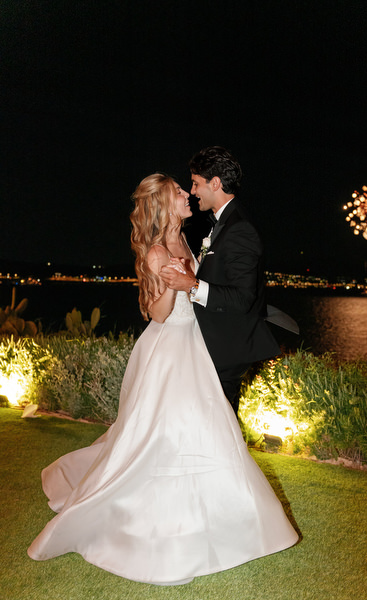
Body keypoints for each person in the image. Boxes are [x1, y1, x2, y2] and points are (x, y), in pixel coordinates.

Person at [27, 173, 298, 585]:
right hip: (169, 348)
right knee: (163, 435)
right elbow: (157, 313)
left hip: (195, 343)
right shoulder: (155, 251)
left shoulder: (188, 241)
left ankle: (228, 519)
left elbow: (199, 288)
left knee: (208, 428)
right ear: (163, 203)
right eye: (178, 192)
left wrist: (193, 282)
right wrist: (173, 284)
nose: (187, 195)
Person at [160, 146, 280, 414]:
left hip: (227, 348)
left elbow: (242, 298)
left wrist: (191, 285)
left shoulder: (240, 229)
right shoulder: (224, 223)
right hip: (213, 345)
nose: (192, 192)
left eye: (195, 183)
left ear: (214, 183)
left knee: (218, 425)